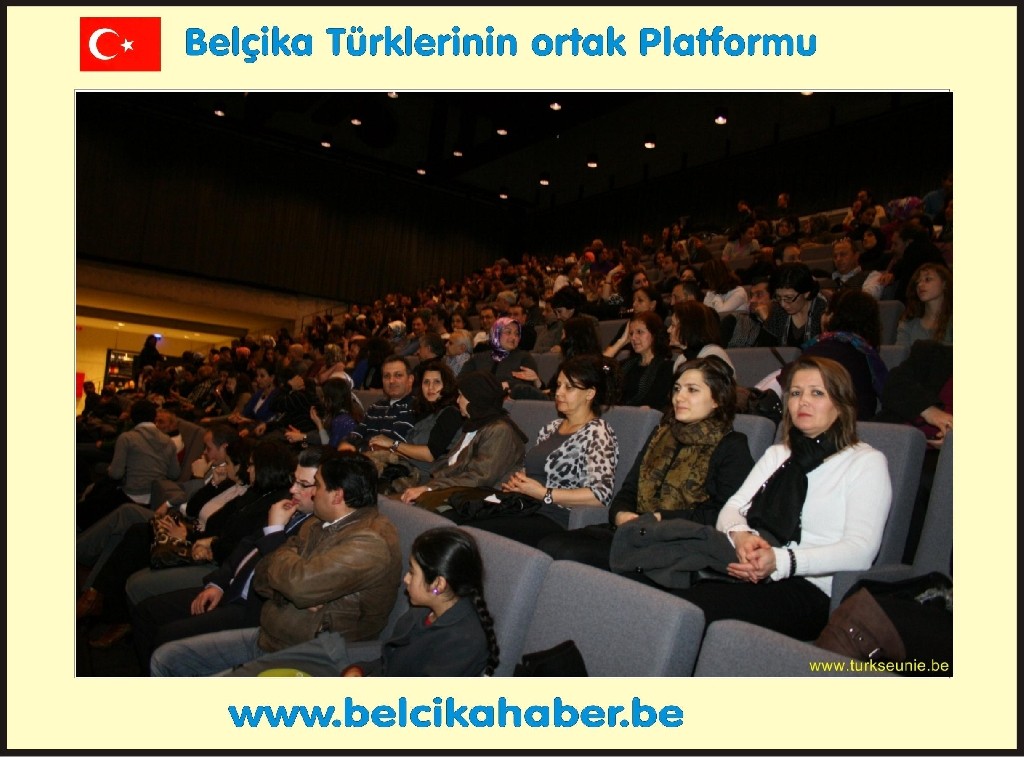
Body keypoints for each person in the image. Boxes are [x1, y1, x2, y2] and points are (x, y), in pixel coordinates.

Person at [669, 356, 892, 641]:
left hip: (810, 588)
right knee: (667, 595)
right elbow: (732, 508)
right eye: (796, 393)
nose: (803, 401)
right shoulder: (779, 454)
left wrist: (781, 560)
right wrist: (743, 537)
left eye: (817, 393)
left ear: (840, 403)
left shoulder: (865, 462)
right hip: (748, 566)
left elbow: (860, 550)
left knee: (692, 610)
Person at [150, 451, 402, 676]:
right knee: (166, 659)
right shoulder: (316, 523)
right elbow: (263, 578)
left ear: (337, 496)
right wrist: (293, 586)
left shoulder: (370, 541)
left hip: (309, 651)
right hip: (272, 633)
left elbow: (297, 585)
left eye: (317, 485)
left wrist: (283, 559)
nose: (312, 492)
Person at [539, 356, 755, 569]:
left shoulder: (731, 445)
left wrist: (659, 518)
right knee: (549, 545)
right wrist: (621, 514)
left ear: (717, 399)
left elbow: (725, 513)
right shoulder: (661, 434)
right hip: (632, 531)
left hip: (676, 542)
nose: (679, 397)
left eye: (692, 390)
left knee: (568, 553)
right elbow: (629, 489)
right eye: (677, 389)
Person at [129, 446, 324, 672]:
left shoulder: (316, 529)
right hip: (230, 587)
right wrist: (218, 583)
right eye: (294, 481)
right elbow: (244, 545)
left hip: (253, 607)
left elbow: (282, 576)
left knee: (166, 638)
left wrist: (274, 530)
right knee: (147, 612)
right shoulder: (289, 508)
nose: (293, 489)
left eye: (303, 484)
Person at [220, 527, 500, 677]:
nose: (405, 579)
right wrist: (361, 670)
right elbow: (389, 662)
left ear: (438, 584)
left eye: (413, 572)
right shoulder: (422, 613)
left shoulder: (463, 642)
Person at [468, 355, 621, 548]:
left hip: (554, 516)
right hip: (525, 506)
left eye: (569, 388)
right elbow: (533, 472)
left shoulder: (598, 432)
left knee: (476, 531)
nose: (559, 393)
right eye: (559, 385)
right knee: (465, 517)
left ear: (590, 393)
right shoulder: (551, 427)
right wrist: (519, 483)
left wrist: (544, 493)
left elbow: (599, 495)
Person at [400, 371, 527, 507]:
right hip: (457, 490)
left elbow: (478, 478)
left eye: (461, 395)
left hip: (480, 500)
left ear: (474, 400)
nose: (457, 400)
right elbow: (452, 463)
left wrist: (430, 488)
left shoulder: (500, 431)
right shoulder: (475, 425)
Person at [78, 399, 181, 530]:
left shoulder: (127, 438)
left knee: (92, 501)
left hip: (129, 495)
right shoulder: (169, 442)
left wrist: (111, 468)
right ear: (154, 417)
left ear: (132, 418)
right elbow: (174, 473)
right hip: (155, 498)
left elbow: (116, 474)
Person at [367, 360, 463, 493]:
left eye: (436, 382)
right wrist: (386, 449)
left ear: (446, 386)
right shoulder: (424, 411)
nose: (430, 387)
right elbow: (410, 450)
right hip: (407, 468)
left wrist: (392, 444)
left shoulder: (451, 413)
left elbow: (430, 454)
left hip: (428, 477)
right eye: (426, 382)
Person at [802, 289, 889, 421]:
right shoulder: (867, 354)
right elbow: (887, 394)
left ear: (832, 316)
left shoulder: (814, 349)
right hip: (857, 426)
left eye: (826, 311)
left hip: (811, 421)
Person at [341, 355, 416, 453]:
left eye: (398, 375)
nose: (391, 381)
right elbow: (355, 435)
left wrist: (358, 448)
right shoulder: (375, 407)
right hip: (361, 455)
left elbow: (389, 448)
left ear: (410, 379)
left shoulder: (414, 407)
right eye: (386, 376)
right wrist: (346, 443)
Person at [615, 311, 675, 410]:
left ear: (654, 334)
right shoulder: (624, 365)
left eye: (639, 332)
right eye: (631, 333)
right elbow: (598, 373)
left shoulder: (666, 368)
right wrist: (620, 343)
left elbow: (655, 404)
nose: (633, 338)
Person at [466, 316, 540, 395]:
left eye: (517, 334)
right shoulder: (479, 357)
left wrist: (507, 385)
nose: (513, 337)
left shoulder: (524, 357)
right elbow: (462, 379)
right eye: (508, 332)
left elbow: (527, 385)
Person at [762, 262, 830, 348]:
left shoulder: (822, 311)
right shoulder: (777, 310)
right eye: (778, 297)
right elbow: (765, 348)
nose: (782, 304)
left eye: (789, 298)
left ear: (807, 293)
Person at [668, 300, 734, 373]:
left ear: (688, 328)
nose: (668, 330)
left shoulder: (714, 356)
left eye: (673, 325)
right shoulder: (681, 359)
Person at [896, 263, 953, 348]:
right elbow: (900, 354)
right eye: (918, 282)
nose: (920, 285)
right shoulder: (908, 324)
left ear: (944, 284)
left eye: (927, 279)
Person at [308, 377, 363, 448]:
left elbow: (329, 447)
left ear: (331, 399)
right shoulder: (352, 413)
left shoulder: (340, 421)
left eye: (323, 397)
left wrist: (319, 424)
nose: (322, 400)